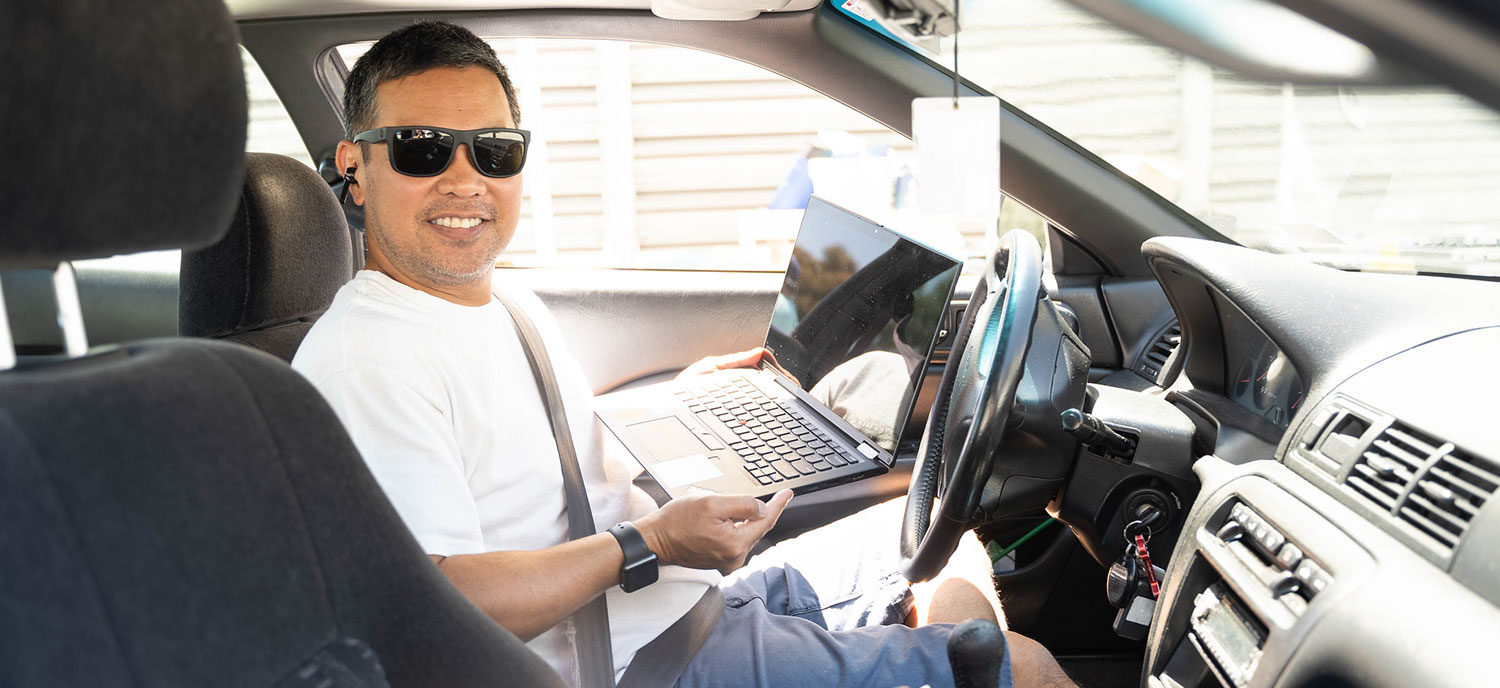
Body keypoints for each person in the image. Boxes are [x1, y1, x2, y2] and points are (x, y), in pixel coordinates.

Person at [292, 20, 1075, 688]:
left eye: (492, 150)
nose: (464, 180)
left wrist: (682, 404)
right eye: (422, 150)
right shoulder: (365, 362)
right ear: (355, 167)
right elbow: (434, 602)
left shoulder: (500, 300)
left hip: (679, 602)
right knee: (1026, 668)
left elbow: (523, 458)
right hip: (631, 663)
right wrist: (653, 539)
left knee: (945, 537)